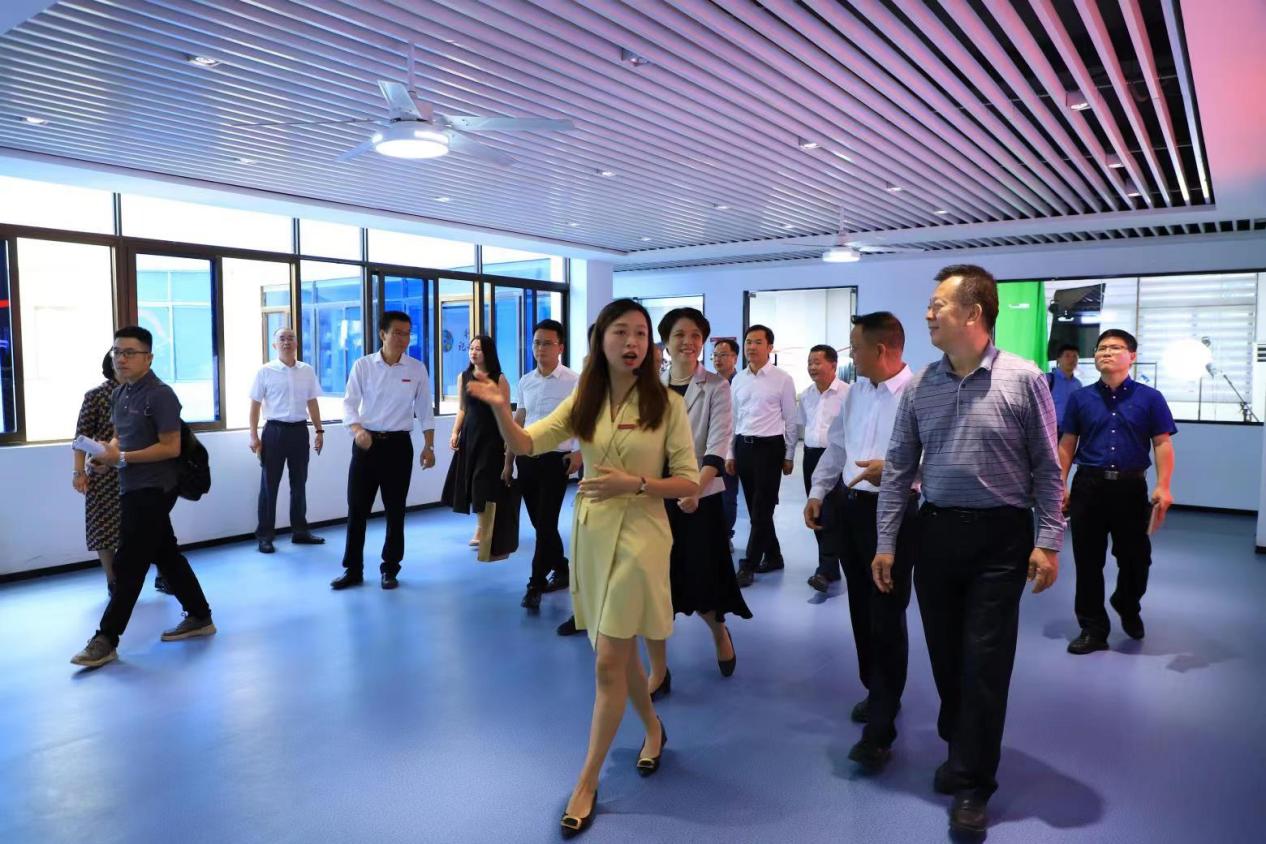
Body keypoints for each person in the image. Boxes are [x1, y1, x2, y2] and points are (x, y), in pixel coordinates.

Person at [466, 298, 698, 837]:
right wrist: (501, 408)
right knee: (619, 653)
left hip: (641, 537)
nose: (632, 342)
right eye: (621, 332)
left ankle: (587, 780)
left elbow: (689, 481)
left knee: (608, 661)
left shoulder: (667, 404)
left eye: (640, 333)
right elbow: (528, 442)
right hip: (593, 535)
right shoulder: (584, 400)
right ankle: (654, 730)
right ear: (601, 341)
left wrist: (634, 483)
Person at [872, 265, 1063, 834]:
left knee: (984, 661)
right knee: (946, 655)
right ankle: (962, 749)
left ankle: (974, 782)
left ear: (974, 313)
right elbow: (898, 468)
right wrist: (886, 541)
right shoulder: (922, 386)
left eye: (939, 304)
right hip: (935, 535)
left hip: (1000, 540)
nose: (928, 313)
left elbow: (1047, 469)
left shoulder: (1023, 380)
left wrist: (1048, 541)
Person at [804, 312, 917, 771]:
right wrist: (817, 492)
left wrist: (894, 471)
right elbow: (837, 447)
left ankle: (880, 731)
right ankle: (877, 689)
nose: (851, 355)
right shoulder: (856, 394)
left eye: (855, 347)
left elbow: (935, 457)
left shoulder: (916, 394)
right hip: (850, 508)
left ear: (881, 349)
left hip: (894, 512)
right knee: (861, 609)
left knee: (886, 612)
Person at [71, 326, 216, 668]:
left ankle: (106, 638)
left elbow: (171, 447)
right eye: (116, 352)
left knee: (129, 562)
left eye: (129, 353)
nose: (121, 359)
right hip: (130, 484)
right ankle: (200, 615)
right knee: (165, 553)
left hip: (156, 487)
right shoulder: (121, 394)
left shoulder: (160, 395)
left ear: (148, 358)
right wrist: (105, 457)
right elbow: (121, 437)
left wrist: (120, 457)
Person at [645, 307, 750, 699]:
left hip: (698, 498)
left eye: (695, 336)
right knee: (656, 583)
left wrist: (694, 489)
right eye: (679, 335)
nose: (688, 342)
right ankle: (659, 671)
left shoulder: (716, 387)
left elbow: (717, 446)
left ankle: (719, 631)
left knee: (701, 578)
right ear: (666, 342)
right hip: (656, 497)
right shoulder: (651, 386)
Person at [1059, 328, 1176, 654]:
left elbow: (1162, 443)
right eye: (1101, 348)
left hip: (1130, 488)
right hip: (1089, 487)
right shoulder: (1080, 398)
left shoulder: (1150, 398)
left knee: (1137, 559)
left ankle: (1127, 602)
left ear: (1132, 356)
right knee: (1088, 562)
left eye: (1114, 347)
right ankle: (1093, 628)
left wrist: (1163, 485)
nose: (1106, 353)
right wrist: (1060, 484)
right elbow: (1067, 443)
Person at [332, 311, 436, 591]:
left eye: (407, 333)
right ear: (383, 334)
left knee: (395, 510)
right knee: (357, 509)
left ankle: (390, 568)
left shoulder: (416, 369)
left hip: (398, 447)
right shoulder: (363, 366)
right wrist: (357, 431)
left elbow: (425, 410)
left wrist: (429, 445)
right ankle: (353, 569)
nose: (403, 339)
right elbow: (349, 404)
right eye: (397, 333)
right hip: (366, 445)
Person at [506, 319, 581, 611]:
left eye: (547, 343)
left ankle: (535, 585)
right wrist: (508, 461)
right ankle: (562, 567)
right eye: (537, 343)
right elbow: (519, 422)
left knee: (546, 523)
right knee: (541, 524)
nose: (540, 348)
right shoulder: (526, 381)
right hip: (527, 460)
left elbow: (583, 421)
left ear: (560, 347)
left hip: (555, 460)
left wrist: (578, 453)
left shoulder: (574, 381)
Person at [726, 325, 797, 587]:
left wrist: (789, 454)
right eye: (748, 341)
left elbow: (791, 419)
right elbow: (733, 418)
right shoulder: (738, 379)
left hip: (770, 449)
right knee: (758, 508)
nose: (751, 347)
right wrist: (730, 453)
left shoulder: (782, 379)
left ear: (769, 347)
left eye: (757, 342)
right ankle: (774, 556)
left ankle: (749, 565)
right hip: (743, 447)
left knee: (760, 509)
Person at [248, 326, 325, 553]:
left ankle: (300, 532)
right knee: (269, 486)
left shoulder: (307, 371)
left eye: (291, 338)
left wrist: (319, 431)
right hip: (274, 432)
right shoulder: (265, 371)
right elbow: (255, 406)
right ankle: (265, 536)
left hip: (299, 431)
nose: (286, 342)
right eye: (282, 338)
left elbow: (312, 402)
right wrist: (253, 436)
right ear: (275, 345)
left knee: (299, 484)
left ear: (297, 343)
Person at [442, 335, 515, 562]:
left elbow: (506, 411)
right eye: (471, 348)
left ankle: (482, 529)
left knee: (482, 483)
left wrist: (508, 440)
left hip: (491, 437)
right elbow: (462, 408)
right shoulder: (463, 377)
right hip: (470, 436)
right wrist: (455, 432)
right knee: (472, 484)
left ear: (488, 353)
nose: (473, 352)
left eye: (479, 349)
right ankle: (482, 526)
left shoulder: (499, 378)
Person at [799, 344, 848, 593]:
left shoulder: (847, 393)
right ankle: (829, 566)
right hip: (810, 456)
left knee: (831, 513)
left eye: (817, 362)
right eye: (809, 363)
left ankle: (826, 569)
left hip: (837, 459)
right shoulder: (806, 395)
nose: (812, 367)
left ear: (833, 365)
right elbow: (804, 424)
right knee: (815, 511)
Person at [73, 351, 122, 595]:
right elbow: (80, 437)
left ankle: (163, 575)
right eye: (119, 356)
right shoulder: (96, 395)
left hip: (136, 467)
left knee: (148, 526)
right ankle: (113, 581)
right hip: (103, 473)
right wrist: (78, 472)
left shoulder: (142, 393)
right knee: (103, 529)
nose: (124, 361)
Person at [711, 339, 741, 545]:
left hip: (734, 447)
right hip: (710, 446)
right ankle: (713, 536)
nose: (717, 359)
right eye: (715, 355)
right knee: (709, 494)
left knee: (728, 495)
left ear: (734, 358)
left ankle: (725, 536)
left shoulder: (741, 383)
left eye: (723, 355)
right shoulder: (708, 382)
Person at [1047, 343, 1083, 438]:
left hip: (1070, 431)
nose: (1072, 359)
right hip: (1050, 430)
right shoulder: (1048, 379)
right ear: (1058, 359)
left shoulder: (1078, 384)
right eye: (1067, 356)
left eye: (1075, 356)